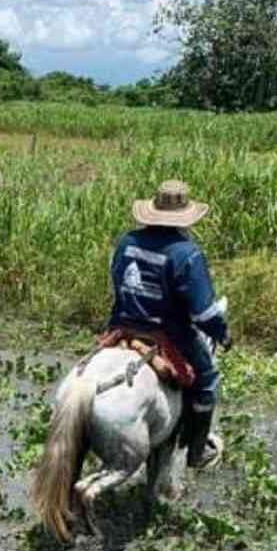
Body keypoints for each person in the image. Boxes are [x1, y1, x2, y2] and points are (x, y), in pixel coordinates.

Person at [107, 180, 232, 469]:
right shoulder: (187, 254)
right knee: (208, 380)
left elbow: (117, 283)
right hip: (167, 333)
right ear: (184, 217)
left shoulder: (127, 242)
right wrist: (222, 335)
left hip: (123, 326)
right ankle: (197, 452)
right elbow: (204, 315)